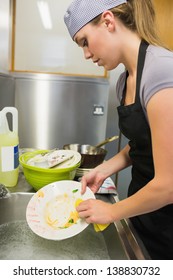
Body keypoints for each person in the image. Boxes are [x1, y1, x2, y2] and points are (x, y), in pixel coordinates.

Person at [64, 0, 173, 260]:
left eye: (84, 41)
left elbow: (169, 185)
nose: (87, 54)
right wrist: (104, 168)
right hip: (143, 209)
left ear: (108, 20)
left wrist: (112, 212)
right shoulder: (124, 81)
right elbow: (141, 144)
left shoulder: (161, 70)